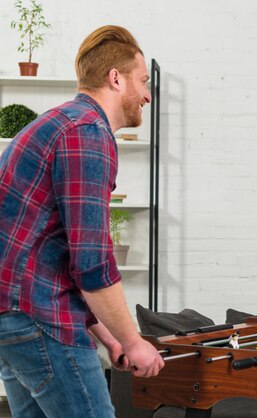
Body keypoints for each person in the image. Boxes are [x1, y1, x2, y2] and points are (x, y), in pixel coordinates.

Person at [0, 25, 164, 418]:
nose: (147, 95)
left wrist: (110, 338)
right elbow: (91, 263)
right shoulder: (87, 134)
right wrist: (133, 340)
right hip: (39, 321)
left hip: (14, 320)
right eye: (143, 81)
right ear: (115, 78)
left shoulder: (58, 123)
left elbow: (54, 256)